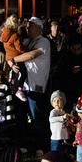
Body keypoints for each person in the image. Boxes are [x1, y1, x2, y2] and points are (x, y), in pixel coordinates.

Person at [10, 18, 52, 152]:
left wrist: (13, 59)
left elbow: (32, 55)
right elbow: (12, 50)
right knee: (21, 117)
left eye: (31, 26)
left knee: (36, 118)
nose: (28, 29)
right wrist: (10, 62)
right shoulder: (27, 41)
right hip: (23, 86)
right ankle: (25, 144)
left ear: (39, 27)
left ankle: (40, 146)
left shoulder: (44, 41)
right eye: (27, 27)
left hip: (36, 86)